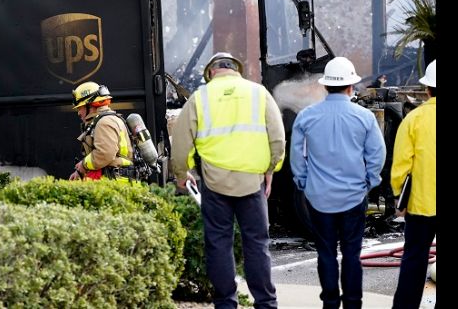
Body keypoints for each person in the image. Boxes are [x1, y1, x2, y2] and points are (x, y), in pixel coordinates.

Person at [171, 52, 285, 309]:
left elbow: (180, 143)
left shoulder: (199, 98)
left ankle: (225, 304)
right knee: (257, 244)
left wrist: (182, 173)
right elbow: (277, 138)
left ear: (210, 72)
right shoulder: (259, 93)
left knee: (219, 245)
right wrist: (270, 170)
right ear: (236, 70)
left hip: (214, 184)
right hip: (252, 183)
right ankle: (266, 303)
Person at [290, 56, 385, 309]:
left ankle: (330, 303)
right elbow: (377, 154)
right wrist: (369, 181)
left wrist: (303, 181)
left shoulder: (306, 117)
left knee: (326, 253)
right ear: (351, 86)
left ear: (325, 86)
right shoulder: (364, 117)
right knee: (352, 255)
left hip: (319, 198)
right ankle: (353, 304)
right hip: (354, 197)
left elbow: (297, 155)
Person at [391, 60, 436, 309]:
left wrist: (400, 197)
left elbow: (401, 165)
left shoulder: (414, 120)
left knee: (414, 260)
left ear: (427, 89)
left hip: (421, 205)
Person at [69, 81, 134, 181]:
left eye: (80, 108)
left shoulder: (104, 123)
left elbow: (104, 154)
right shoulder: (107, 119)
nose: (78, 113)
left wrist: (83, 165)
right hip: (116, 179)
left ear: (90, 106)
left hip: (115, 183)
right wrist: (80, 171)